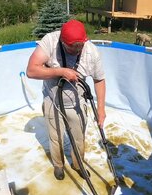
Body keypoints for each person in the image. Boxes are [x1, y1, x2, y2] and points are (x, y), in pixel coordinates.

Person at [26, 19, 106, 180]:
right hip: (52, 100)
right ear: (62, 41)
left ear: (85, 40)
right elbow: (31, 71)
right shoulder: (50, 41)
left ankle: (78, 165)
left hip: (77, 103)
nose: (76, 51)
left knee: (78, 137)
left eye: (80, 47)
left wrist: (101, 109)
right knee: (55, 137)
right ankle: (59, 165)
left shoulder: (92, 52)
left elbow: (99, 80)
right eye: (71, 47)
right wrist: (60, 71)